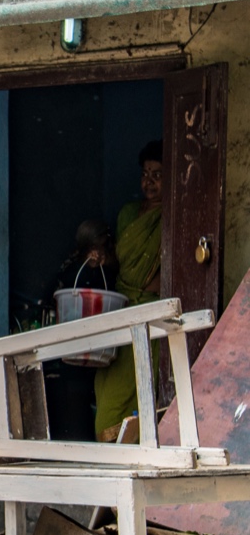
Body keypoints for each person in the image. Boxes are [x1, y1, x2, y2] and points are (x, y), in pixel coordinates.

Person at [93, 141, 164, 439]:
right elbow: (120, 262)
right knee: (107, 388)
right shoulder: (128, 214)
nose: (149, 181)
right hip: (120, 311)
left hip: (149, 315)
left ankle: (128, 453)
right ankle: (111, 450)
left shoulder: (171, 217)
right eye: (145, 173)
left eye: (158, 175)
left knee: (140, 392)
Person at [40, 220, 119, 443]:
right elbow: (52, 296)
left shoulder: (110, 270)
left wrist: (106, 265)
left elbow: (115, 294)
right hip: (73, 353)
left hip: (102, 351)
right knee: (76, 415)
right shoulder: (72, 270)